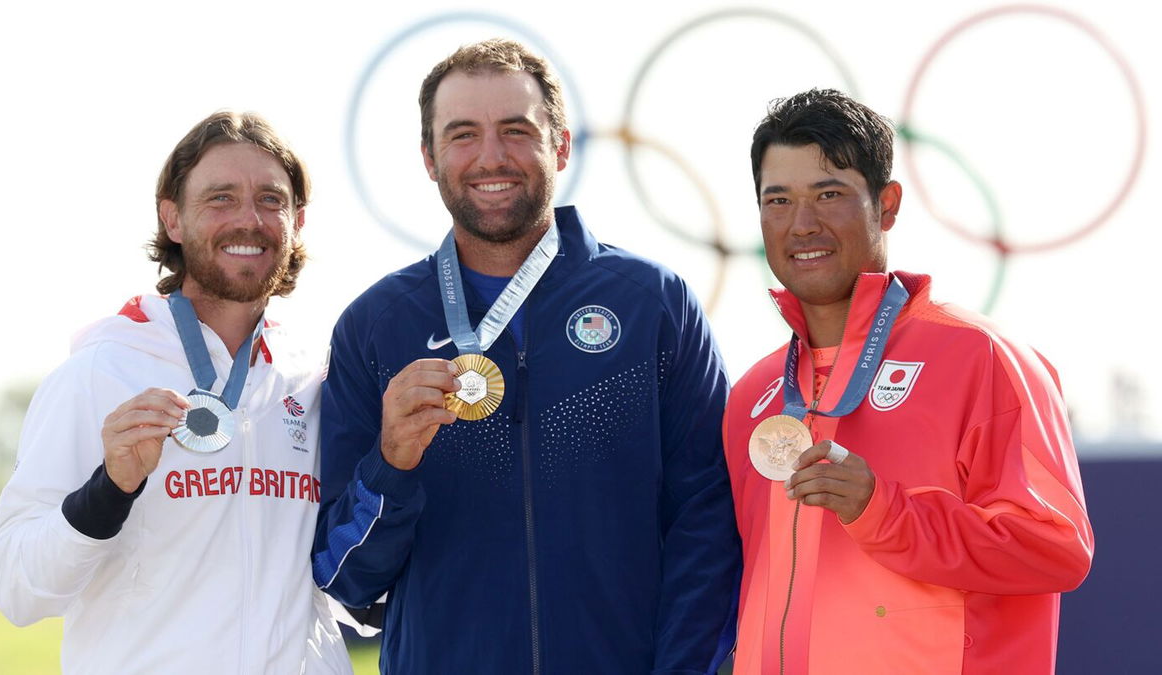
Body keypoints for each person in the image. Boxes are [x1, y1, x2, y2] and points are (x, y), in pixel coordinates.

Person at [312, 39, 740, 674]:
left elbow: (708, 530)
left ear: (560, 145)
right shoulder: (375, 327)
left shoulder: (654, 304)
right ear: (429, 158)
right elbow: (343, 576)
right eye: (463, 135)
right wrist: (390, 465)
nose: (491, 156)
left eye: (516, 130)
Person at [723, 88, 1094, 674]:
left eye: (829, 194)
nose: (802, 224)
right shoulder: (755, 394)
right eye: (779, 200)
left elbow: (1056, 548)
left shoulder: (981, 356)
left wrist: (886, 513)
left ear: (887, 205)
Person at [0, 111, 352, 674]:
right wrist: (109, 488)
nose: (249, 219)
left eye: (271, 200)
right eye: (221, 199)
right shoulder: (99, 372)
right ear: (172, 218)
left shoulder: (315, 377)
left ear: (297, 221)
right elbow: (17, 589)